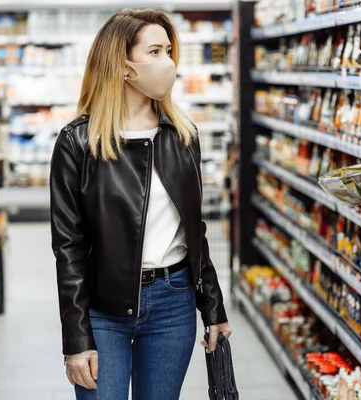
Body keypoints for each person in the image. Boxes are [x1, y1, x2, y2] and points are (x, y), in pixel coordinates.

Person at [50, 8, 231, 400]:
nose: (167, 62)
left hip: (173, 301)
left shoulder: (183, 136)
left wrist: (213, 309)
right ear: (123, 65)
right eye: (154, 51)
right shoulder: (78, 142)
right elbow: (68, 248)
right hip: (103, 309)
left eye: (168, 50)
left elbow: (194, 231)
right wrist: (76, 339)